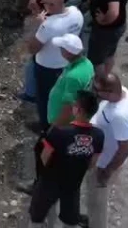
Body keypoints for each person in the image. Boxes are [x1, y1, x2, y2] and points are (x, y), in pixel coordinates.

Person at [28, 90, 103, 228]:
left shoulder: (59, 132)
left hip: (49, 182)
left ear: (78, 110)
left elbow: (45, 157)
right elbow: (93, 163)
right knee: (70, 221)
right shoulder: (99, 135)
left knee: (37, 217)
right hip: (73, 184)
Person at [23, 0, 83, 130]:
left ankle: (46, 127)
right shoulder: (76, 13)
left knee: (45, 99)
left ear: (51, 5)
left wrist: (36, 25)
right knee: (62, 97)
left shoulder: (48, 25)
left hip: (47, 67)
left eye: (44, 4)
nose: (43, 6)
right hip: (67, 63)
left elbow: (32, 48)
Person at [86, 73, 128, 228]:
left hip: (103, 162)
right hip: (99, 155)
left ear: (110, 92)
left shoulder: (119, 116)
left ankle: (96, 224)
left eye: (97, 90)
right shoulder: (124, 92)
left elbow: (125, 148)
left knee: (97, 200)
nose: (95, 92)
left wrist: (106, 171)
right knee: (92, 196)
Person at [46, 35, 94, 127]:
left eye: (61, 48)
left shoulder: (73, 77)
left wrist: (55, 128)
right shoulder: (88, 63)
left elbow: (68, 108)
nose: (60, 50)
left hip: (60, 123)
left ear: (68, 52)